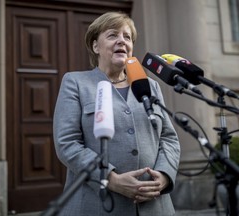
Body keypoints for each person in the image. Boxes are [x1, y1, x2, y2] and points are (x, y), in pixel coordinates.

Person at [53, 11, 181, 216]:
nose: (122, 41)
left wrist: (164, 176)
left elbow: (168, 138)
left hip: (155, 206)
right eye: (113, 35)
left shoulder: (150, 86)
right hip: (98, 204)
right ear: (95, 46)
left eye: (127, 37)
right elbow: (67, 143)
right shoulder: (76, 83)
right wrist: (110, 179)